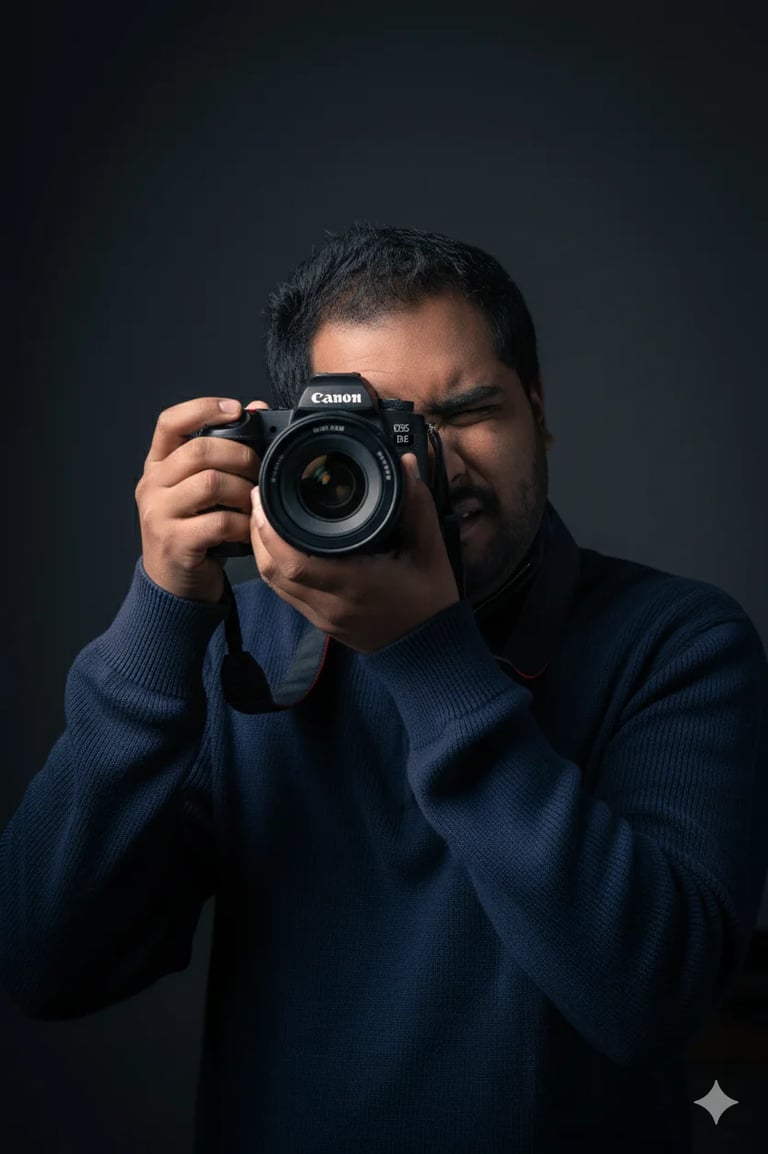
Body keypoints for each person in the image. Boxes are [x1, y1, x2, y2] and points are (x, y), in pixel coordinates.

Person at [1, 223, 767, 1153]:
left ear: (538, 409)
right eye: (384, 429)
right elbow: (45, 960)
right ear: (293, 446)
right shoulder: (248, 653)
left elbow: (654, 1002)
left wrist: (424, 654)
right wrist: (163, 615)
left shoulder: (680, 643)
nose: (427, 466)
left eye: (465, 413)